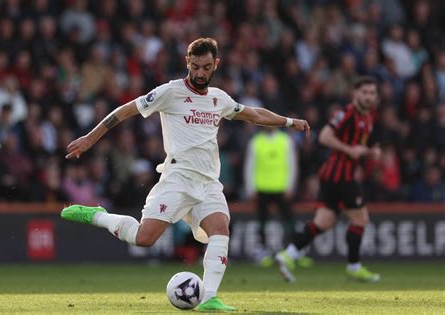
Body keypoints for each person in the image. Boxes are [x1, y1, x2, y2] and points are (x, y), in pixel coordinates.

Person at [61, 38, 310, 312]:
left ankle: (209, 298)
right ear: (187, 63)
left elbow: (254, 114)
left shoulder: (219, 99)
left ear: (216, 64)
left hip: (208, 182)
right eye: (195, 67)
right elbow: (126, 110)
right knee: (145, 239)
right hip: (178, 178)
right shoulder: (170, 92)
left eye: (205, 67)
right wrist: (89, 138)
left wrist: (289, 121)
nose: (200, 73)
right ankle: (98, 215)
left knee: (220, 229)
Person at [275, 76, 381, 283]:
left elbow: (357, 147)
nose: (368, 97)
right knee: (360, 219)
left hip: (335, 176)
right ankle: (354, 266)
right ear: (355, 94)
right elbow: (324, 135)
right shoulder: (348, 112)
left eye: (372, 93)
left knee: (323, 222)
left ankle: (288, 254)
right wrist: (350, 150)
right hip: (339, 175)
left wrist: (369, 152)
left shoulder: (367, 117)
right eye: (364, 92)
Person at [244, 126, 301, 266]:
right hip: (262, 188)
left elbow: (292, 164)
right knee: (262, 221)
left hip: (281, 187)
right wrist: (250, 187)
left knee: (288, 220)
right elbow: (249, 165)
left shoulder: (285, 140)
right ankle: (262, 252)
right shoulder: (256, 141)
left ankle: (292, 251)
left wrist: (290, 186)